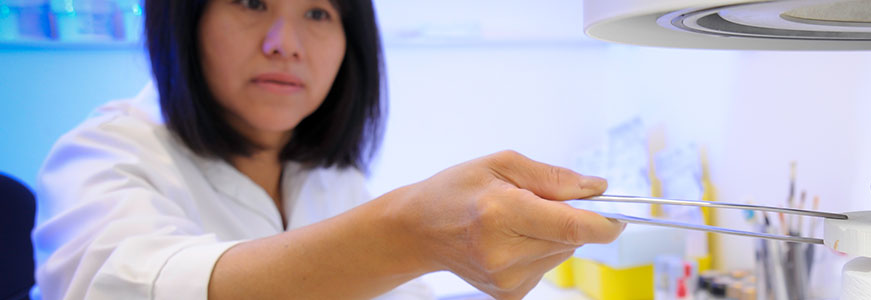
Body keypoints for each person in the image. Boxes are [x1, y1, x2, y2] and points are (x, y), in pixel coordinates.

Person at [31, 0, 626, 299]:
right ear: (183, 21)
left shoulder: (327, 176)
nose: (284, 43)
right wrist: (409, 233)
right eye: (251, 0)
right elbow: (130, 287)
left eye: (318, 11)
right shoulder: (103, 154)